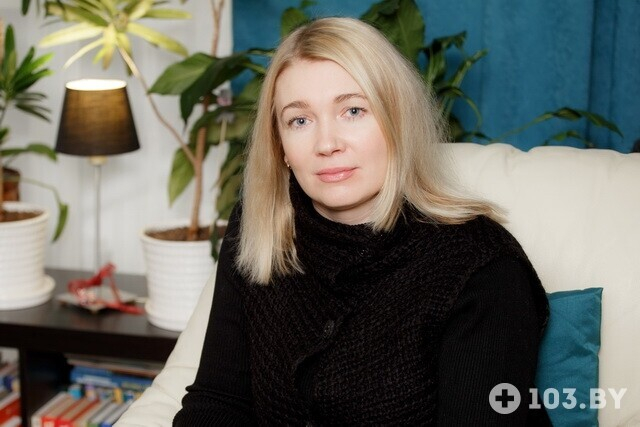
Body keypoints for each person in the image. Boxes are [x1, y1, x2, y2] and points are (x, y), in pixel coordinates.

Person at [173, 17, 550, 426]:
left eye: (353, 111)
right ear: (279, 145)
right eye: (300, 120)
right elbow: (218, 401)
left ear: (397, 121)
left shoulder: (483, 268)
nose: (327, 144)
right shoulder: (259, 224)